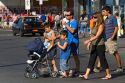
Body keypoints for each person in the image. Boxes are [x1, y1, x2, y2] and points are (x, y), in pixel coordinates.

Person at [80, 12, 112, 80]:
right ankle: (86, 75)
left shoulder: (101, 25)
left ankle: (108, 74)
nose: (93, 18)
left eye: (94, 17)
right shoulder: (95, 24)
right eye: (92, 17)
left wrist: (88, 41)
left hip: (100, 45)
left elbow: (97, 36)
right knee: (92, 59)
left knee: (102, 60)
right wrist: (89, 43)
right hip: (94, 44)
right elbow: (92, 35)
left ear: (99, 18)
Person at [102, 6, 123, 73]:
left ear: (108, 11)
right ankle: (98, 67)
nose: (103, 12)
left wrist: (112, 36)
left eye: (104, 11)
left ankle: (120, 67)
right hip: (106, 38)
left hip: (111, 38)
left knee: (115, 52)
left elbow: (116, 27)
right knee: (101, 52)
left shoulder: (113, 17)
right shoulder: (106, 19)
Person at [62, 9, 80, 76]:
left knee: (75, 56)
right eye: (65, 15)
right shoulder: (69, 22)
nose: (66, 16)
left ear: (71, 15)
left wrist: (66, 25)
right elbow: (66, 32)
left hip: (74, 42)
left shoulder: (74, 22)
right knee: (66, 55)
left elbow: (72, 31)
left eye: (67, 15)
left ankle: (77, 69)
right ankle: (65, 70)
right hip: (69, 41)